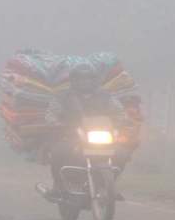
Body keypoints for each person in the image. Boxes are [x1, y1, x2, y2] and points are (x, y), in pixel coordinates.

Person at [38, 63, 129, 201]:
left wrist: (122, 121)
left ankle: (108, 185)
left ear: (94, 80)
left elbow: (119, 112)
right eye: (80, 78)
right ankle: (58, 186)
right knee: (58, 152)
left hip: (102, 137)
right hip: (71, 137)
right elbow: (51, 113)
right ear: (74, 80)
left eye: (88, 78)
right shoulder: (63, 96)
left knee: (122, 153)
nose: (85, 82)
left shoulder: (105, 96)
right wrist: (54, 122)